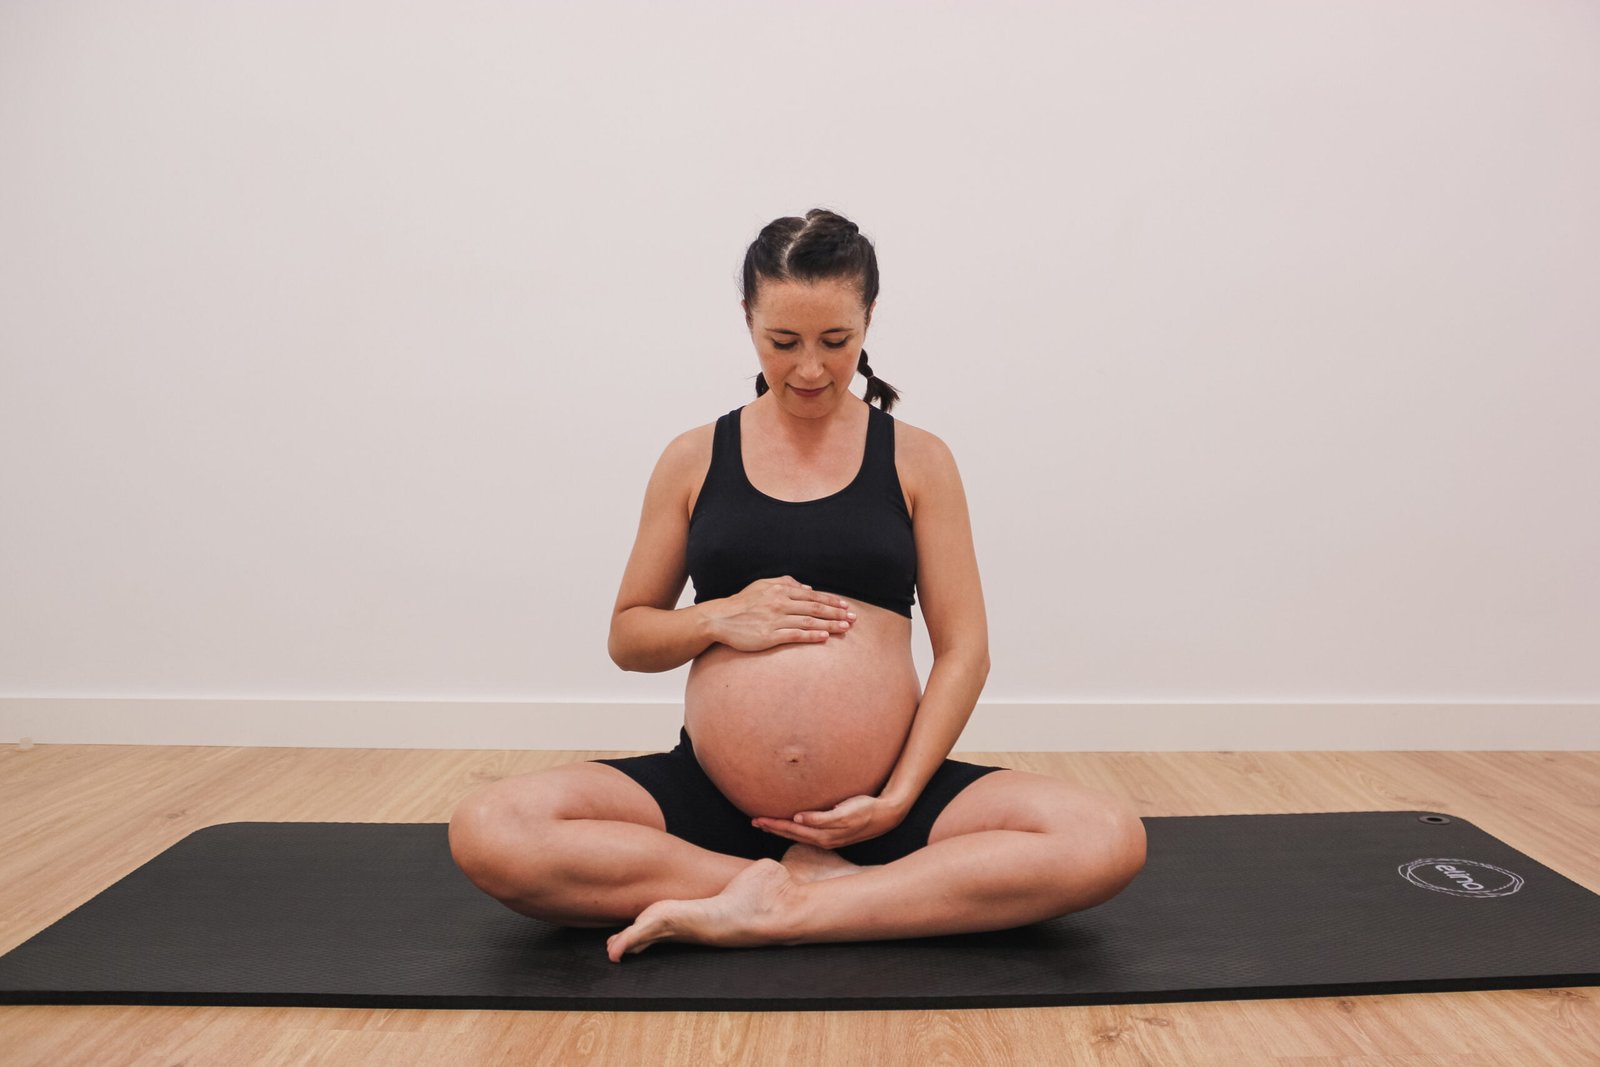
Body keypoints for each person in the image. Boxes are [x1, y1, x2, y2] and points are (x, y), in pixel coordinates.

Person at [448, 208, 1146, 963]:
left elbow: (964, 651)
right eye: (783, 342)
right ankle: (778, 886)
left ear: (869, 318)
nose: (810, 369)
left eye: (836, 342)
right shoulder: (692, 458)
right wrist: (718, 617)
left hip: (880, 806)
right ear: (748, 319)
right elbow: (629, 634)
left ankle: (793, 904)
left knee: (1105, 837)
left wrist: (900, 795)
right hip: (713, 802)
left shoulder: (920, 460)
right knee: (490, 826)